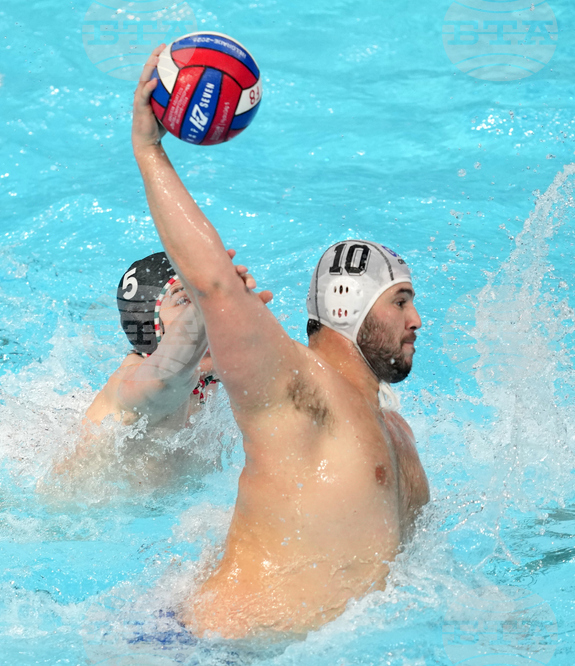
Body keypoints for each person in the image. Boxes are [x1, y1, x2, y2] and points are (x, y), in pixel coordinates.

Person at [130, 45, 429, 638]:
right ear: (351, 309)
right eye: (400, 301)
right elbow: (214, 282)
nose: (417, 319)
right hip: (199, 651)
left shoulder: (399, 436)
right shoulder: (299, 390)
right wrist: (149, 150)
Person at [39, 251, 270, 497]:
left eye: (204, 299)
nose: (210, 310)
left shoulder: (210, 376)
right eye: (184, 300)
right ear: (150, 326)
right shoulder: (134, 384)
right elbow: (166, 376)